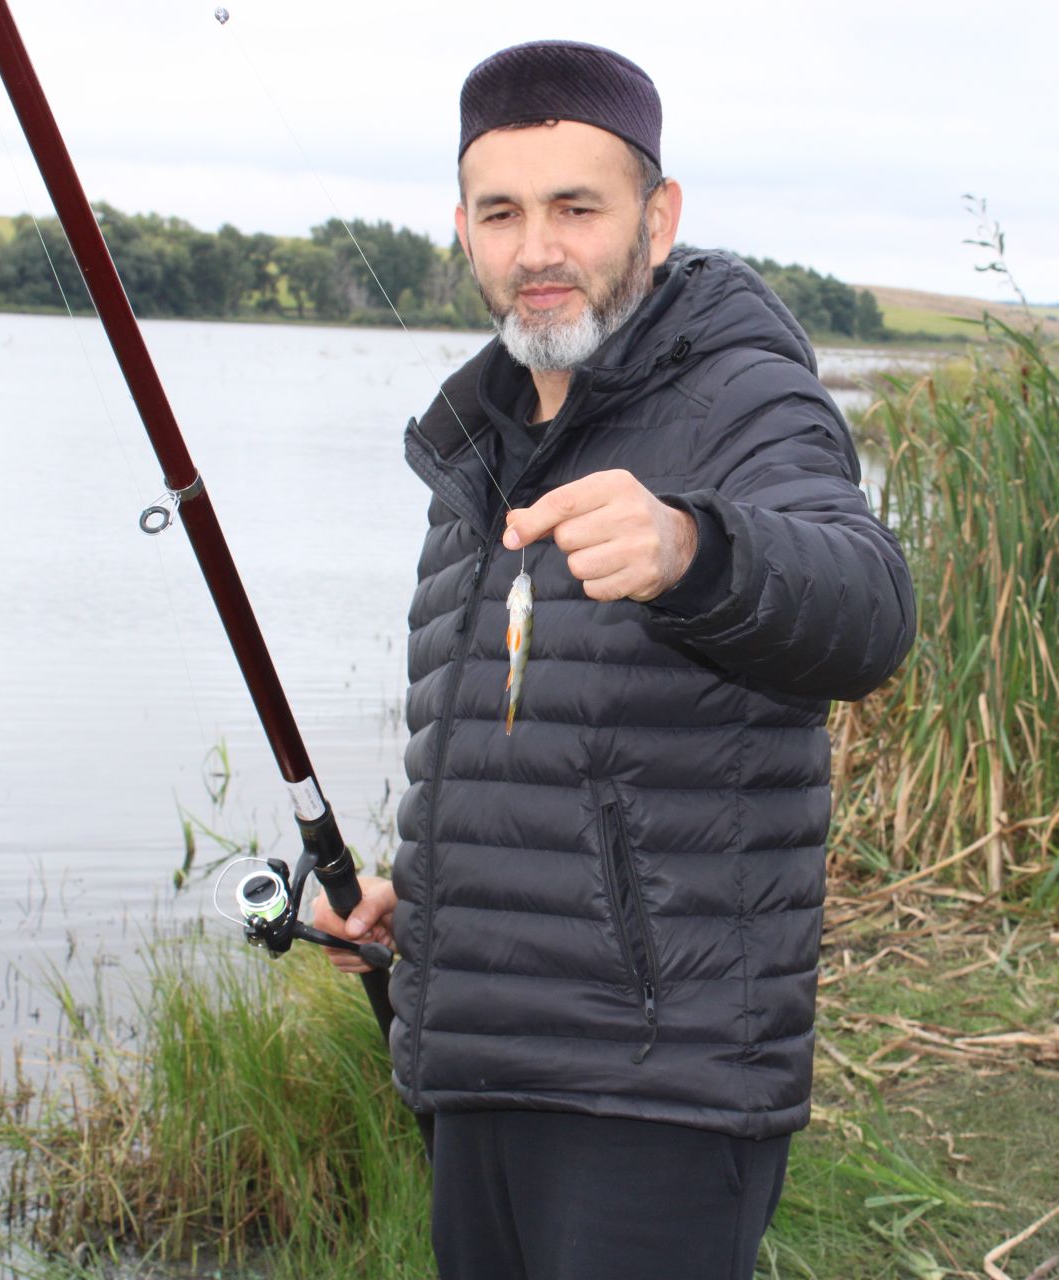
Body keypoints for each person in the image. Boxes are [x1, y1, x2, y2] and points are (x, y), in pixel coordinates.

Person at [311, 38, 916, 1280]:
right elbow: (538, 753)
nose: (539, 249)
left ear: (658, 215)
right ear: (466, 230)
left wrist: (696, 547)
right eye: (503, 212)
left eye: (577, 207)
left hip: (660, 1082)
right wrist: (425, 901)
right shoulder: (476, 441)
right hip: (477, 1055)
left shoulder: (745, 397)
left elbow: (869, 612)